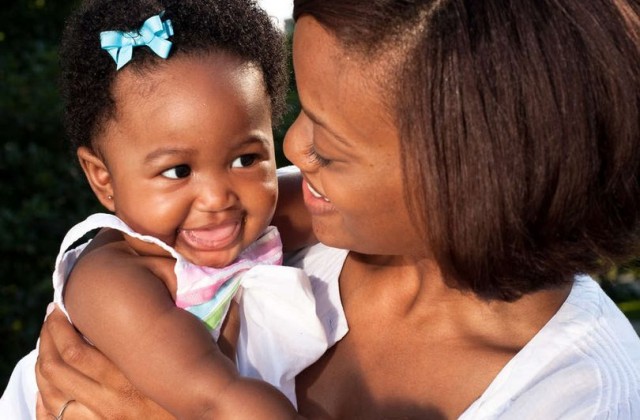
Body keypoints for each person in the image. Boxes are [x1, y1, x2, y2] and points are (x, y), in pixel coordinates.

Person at [32, 0, 640, 418]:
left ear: (468, 175)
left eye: (330, 139)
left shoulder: (576, 392)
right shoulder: (301, 218)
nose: (294, 148)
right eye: (301, 110)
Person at [0, 0, 332, 418]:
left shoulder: (253, 215)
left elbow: (347, 192)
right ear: (103, 179)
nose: (217, 198)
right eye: (178, 171)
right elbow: (212, 401)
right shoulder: (112, 282)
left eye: (245, 159)